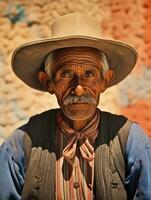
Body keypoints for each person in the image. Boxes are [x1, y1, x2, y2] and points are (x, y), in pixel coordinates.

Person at [0, 13, 151, 200]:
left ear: (105, 80)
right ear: (48, 82)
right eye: (65, 74)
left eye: (89, 74)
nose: (78, 89)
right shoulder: (19, 145)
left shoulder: (131, 140)